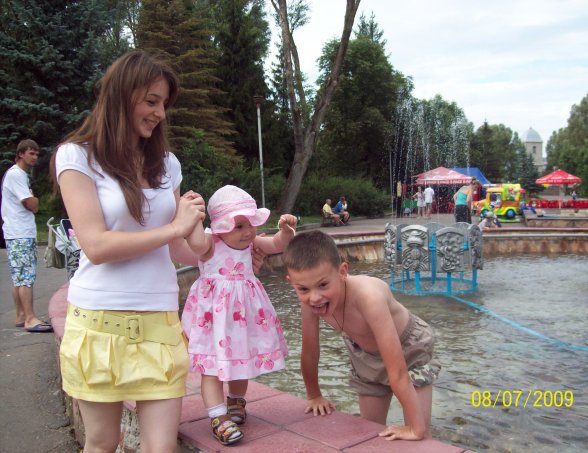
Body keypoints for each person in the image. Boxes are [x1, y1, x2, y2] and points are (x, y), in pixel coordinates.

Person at [54, 50, 207, 452]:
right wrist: (174, 227)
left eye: (164, 104)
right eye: (151, 101)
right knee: (103, 442)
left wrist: (226, 250)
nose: (159, 113)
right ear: (122, 95)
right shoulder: (77, 156)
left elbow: (177, 247)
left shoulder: (166, 164)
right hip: (97, 323)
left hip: (159, 322)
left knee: (161, 448)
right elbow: (96, 245)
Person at [282, 230, 441, 441]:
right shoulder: (310, 304)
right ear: (291, 282)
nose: (314, 298)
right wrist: (314, 395)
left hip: (409, 349)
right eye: (303, 289)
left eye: (323, 285)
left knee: (419, 433)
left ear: (342, 271)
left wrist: (416, 428)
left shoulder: (369, 296)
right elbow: (310, 352)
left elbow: (398, 370)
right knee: (370, 431)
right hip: (365, 353)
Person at [181, 185, 296, 446]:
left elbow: (276, 244)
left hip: (243, 319)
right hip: (214, 320)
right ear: (220, 227)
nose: (247, 232)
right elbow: (195, 242)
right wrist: (195, 215)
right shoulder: (210, 244)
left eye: (250, 224)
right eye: (238, 226)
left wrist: (286, 231)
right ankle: (218, 417)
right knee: (211, 368)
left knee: (240, 361)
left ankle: (236, 402)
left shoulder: (251, 243)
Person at [1, 139, 53, 332]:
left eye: (37, 154)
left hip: (16, 232)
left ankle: (21, 315)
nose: (35, 157)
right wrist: (35, 200)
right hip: (21, 232)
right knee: (26, 277)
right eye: (31, 153)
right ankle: (30, 318)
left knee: (19, 277)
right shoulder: (16, 174)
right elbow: (31, 204)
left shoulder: (17, 175)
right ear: (20, 154)